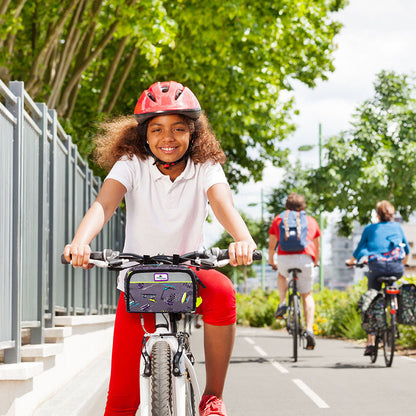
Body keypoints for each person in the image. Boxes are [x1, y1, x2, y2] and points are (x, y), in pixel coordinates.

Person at [63, 81, 257, 416]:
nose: (167, 138)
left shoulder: (205, 166)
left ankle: (212, 396)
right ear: (144, 135)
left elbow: (224, 204)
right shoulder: (130, 163)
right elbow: (103, 205)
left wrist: (243, 238)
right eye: (157, 129)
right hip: (138, 281)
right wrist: (81, 241)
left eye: (178, 128)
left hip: (190, 273)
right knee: (121, 403)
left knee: (223, 293)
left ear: (193, 133)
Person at [345, 200, 409, 356]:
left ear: (378, 214)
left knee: (372, 298)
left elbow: (359, 248)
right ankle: (394, 312)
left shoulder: (370, 228)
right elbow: (406, 250)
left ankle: (371, 343)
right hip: (396, 268)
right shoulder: (397, 227)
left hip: (377, 268)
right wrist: (404, 264)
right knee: (392, 286)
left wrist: (351, 262)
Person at [267, 193, 321, 349]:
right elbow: (317, 247)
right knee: (307, 294)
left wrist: (272, 261)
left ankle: (283, 302)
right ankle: (309, 329)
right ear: (303, 207)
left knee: (282, 274)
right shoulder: (310, 221)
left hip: (284, 259)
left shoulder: (279, 220)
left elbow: (272, 246)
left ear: (286, 206)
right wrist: (315, 262)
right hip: (305, 259)